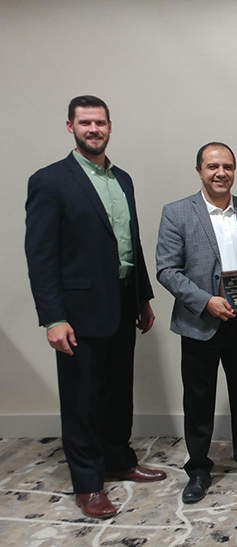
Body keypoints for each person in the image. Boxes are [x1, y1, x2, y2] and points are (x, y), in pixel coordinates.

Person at [24, 95, 165, 519]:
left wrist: (142, 297)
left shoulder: (122, 179)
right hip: (78, 311)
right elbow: (40, 255)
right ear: (70, 127)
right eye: (85, 122)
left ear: (109, 126)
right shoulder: (50, 181)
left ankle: (118, 461)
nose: (93, 129)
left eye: (100, 122)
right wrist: (53, 317)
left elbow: (129, 243)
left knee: (118, 391)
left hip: (122, 301)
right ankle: (88, 483)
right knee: (81, 400)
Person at [155, 142, 237, 504]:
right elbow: (167, 269)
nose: (220, 173)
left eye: (227, 166)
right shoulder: (177, 212)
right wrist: (205, 301)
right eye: (212, 166)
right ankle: (197, 469)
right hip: (199, 323)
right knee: (198, 401)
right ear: (199, 170)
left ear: (234, 170)